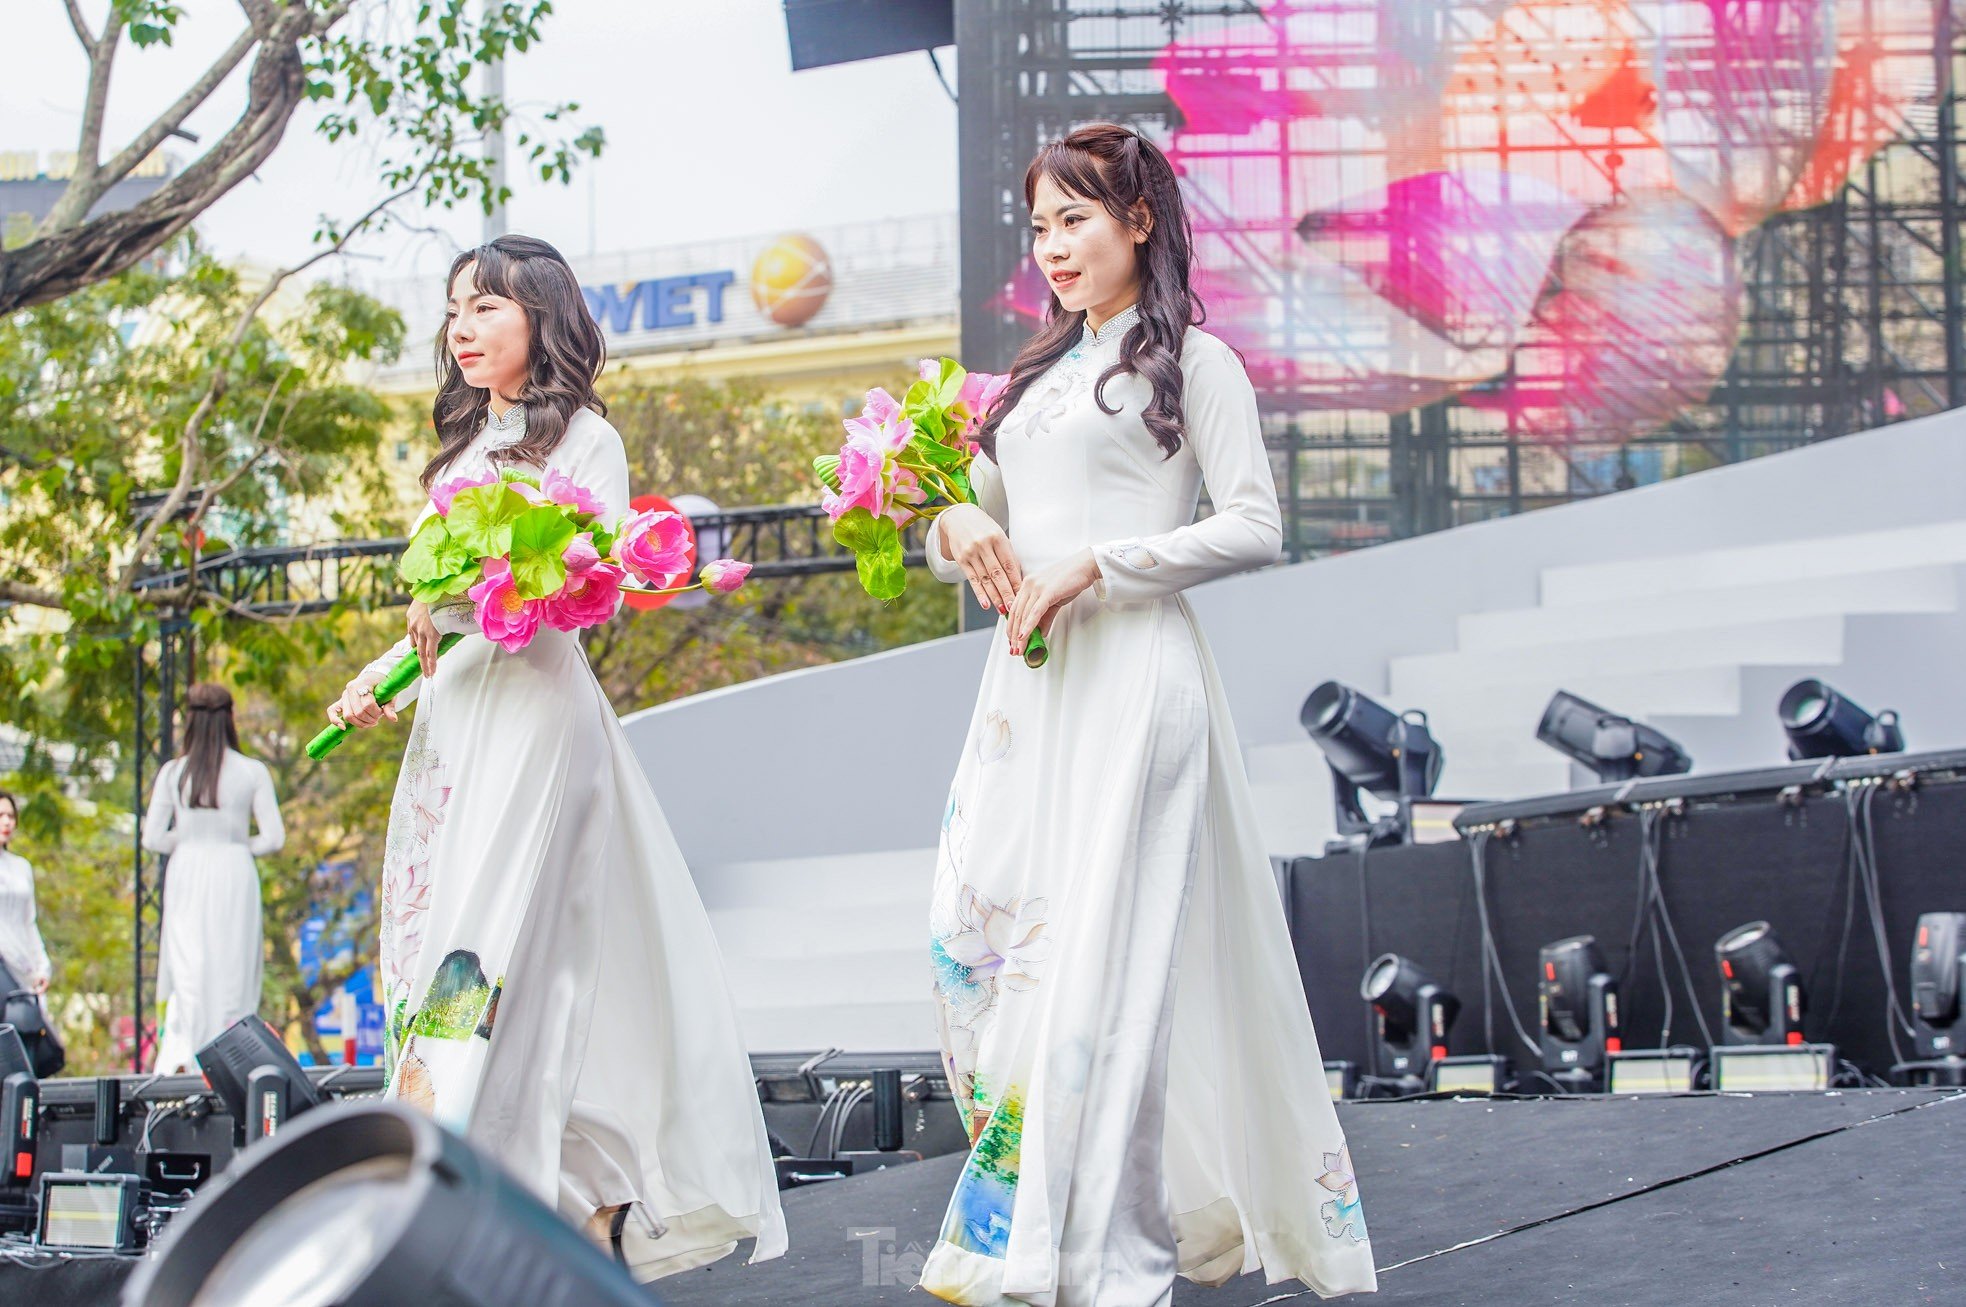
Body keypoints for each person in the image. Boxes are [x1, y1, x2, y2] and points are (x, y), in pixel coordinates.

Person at [919, 124, 1379, 1304]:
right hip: (1027, 693)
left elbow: (1253, 524)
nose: (1052, 246)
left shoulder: (1193, 363)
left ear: (1137, 220)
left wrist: (1096, 566)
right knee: (973, 947)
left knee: (1103, 976)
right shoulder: (1029, 382)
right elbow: (964, 529)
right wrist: (952, 522)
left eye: (1075, 218)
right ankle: (1057, 1219)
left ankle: (1101, 1259)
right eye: (1039, 226)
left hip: (1136, 683)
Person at [327, 234, 785, 1280]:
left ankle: (469, 1197)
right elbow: (443, 617)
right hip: (459, 722)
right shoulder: (455, 455)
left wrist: (482, 583)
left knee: (491, 956)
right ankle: (561, 1198)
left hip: (537, 720)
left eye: (485, 306)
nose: (463, 326)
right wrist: (379, 669)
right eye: (454, 309)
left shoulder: (586, 439)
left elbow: (590, 589)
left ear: (541, 316)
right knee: (463, 947)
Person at [141, 684, 284, 1074]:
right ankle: (232, 1063)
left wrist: (189, 840)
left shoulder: (173, 773)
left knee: (188, 966)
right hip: (234, 872)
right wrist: (236, 844)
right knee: (233, 966)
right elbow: (274, 838)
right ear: (229, 718)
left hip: (186, 870)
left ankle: (182, 1058)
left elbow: (152, 838)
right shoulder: (252, 771)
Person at [0, 789, 55, 1025]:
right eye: (0, 815)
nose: (6, 822)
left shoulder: (21, 867)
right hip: (3, 965)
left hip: (24, 969)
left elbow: (28, 922)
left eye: (11, 816)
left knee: (26, 1033)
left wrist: (42, 966)